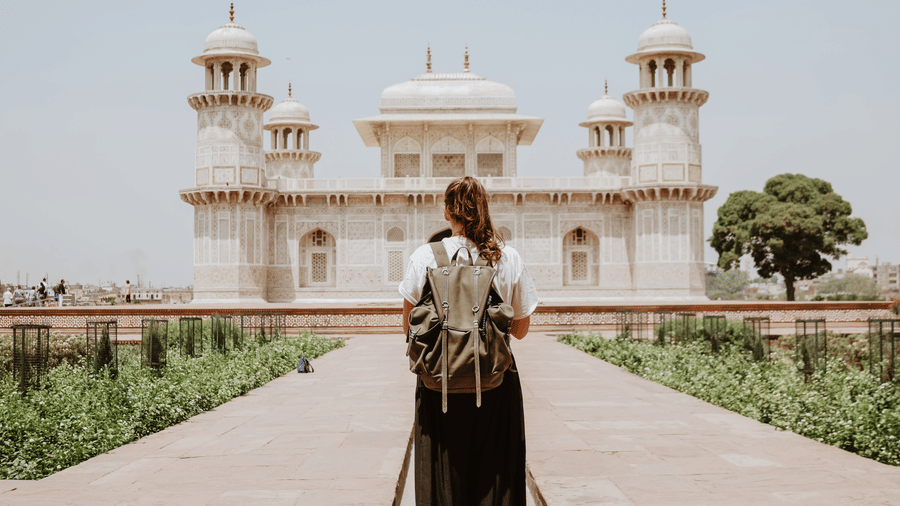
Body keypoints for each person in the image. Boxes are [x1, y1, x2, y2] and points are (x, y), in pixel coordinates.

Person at [399, 176, 539, 506]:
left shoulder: (424, 257)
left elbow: (408, 327)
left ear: (448, 212)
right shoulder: (508, 257)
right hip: (495, 382)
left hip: (439, 382)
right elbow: (520, 330)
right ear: (485, 210)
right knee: (496, 476)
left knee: (442, 476)